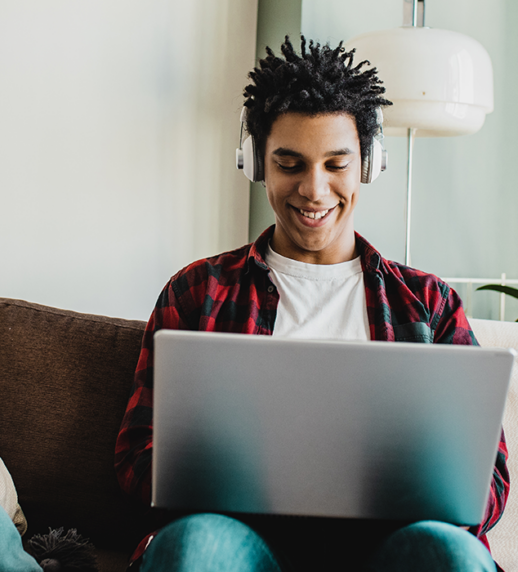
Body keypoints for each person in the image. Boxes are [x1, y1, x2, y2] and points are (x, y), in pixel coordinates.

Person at [115, 36, 509, 571]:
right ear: (257, 161)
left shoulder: (428, 304)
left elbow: (489, 480)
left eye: (336, 164)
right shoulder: (197, 292)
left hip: (388, 548)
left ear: (368, 163)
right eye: (291, 164)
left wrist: (413, 489)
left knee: (450, 554)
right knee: (197, 548)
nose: (314, 189)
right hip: (241, 542)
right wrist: (220, 474)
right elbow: (136, 458)